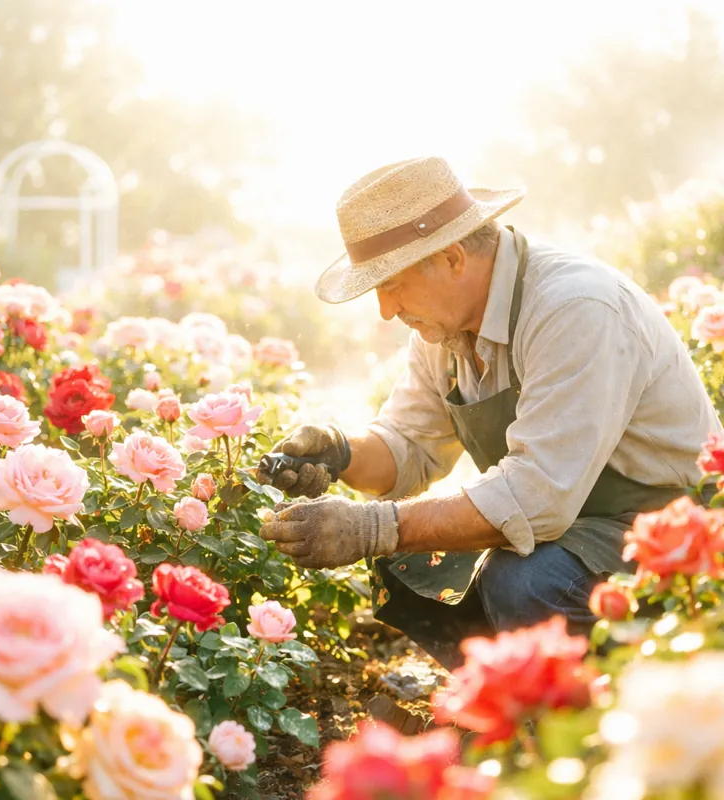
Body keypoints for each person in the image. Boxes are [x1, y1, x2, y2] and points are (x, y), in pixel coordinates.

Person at [257, 156, 722, 676]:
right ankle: (507, 700)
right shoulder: (445, 329)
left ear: (453, 257)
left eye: (392, 284)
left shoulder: (574, 308)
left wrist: (373, 527)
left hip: (674, 531)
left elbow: (536, 495)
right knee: (409, 560)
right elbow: (409, 447)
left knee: (521, 578)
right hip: (575, 525)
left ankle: (600, 723)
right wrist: (341, 451)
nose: (386, 310)